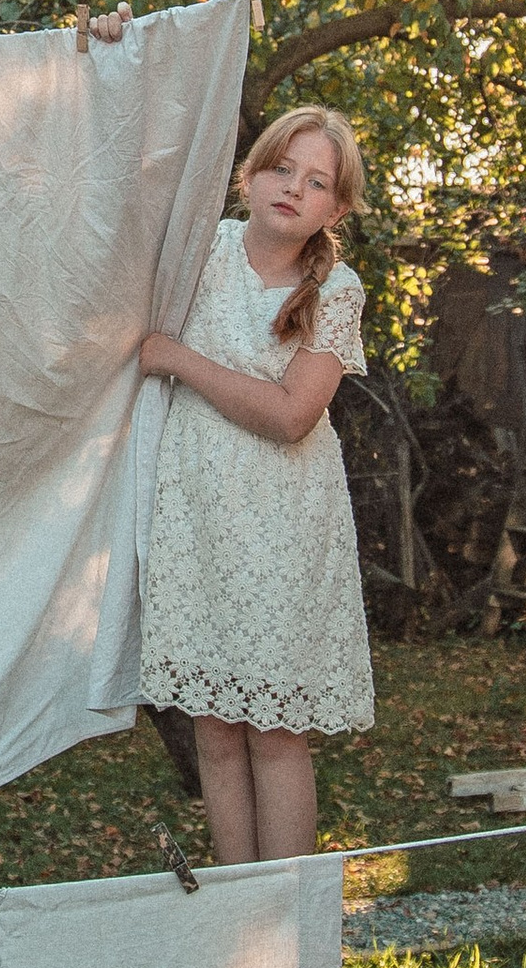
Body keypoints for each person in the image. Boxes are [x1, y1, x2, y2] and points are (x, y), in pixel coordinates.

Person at [133, 102, 376, 864]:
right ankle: (235, 911)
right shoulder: (199, 253)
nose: (292, 188)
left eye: (316, 181)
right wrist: (115, 52)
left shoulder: (335, 291)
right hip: (197, 514)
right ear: (248, 174)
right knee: (213, 724)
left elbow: (290, 415)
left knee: (273, 729)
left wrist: (180, 360)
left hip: (283, 521)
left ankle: (285, 908)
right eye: (280, 167)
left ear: (336, 207)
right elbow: (122, 184)